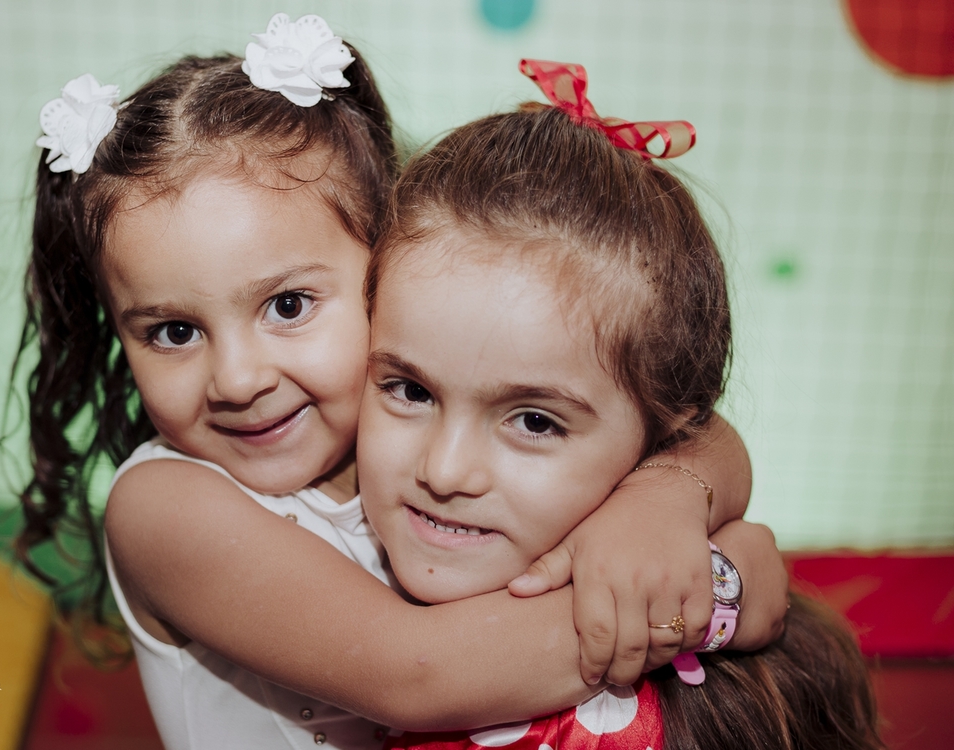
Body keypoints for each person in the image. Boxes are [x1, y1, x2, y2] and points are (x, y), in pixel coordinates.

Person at [11, 17, 785, 750]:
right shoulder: (166, 508)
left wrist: (667, 497)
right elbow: (417, 674)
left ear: (383, 276)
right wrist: (709, 597)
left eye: (287, 306)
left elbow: (695, 430)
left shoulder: (413, 444)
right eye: (173, 332)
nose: (238, 380)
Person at [359, 59, 883, 750]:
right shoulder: (290, 496)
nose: (446, 470)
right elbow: (418, 673)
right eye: (411, 390)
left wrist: (678, 510)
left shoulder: (737, 711)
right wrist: (718, 586)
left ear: (660, 435)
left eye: (536, 421)